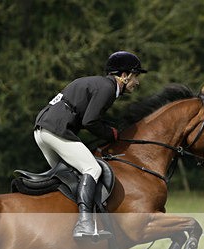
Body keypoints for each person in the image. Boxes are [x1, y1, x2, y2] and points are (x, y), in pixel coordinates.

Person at [34, 51, 147, 239]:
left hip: (42, 130)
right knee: (92, 169)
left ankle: (60, 224)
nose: (137, 82)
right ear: (124, 75)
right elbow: (90, 121)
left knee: (69, 178)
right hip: (56, 130)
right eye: (135, 76)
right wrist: (111, 134)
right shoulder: (108, 88)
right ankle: (85, 225)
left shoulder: (99, 84)